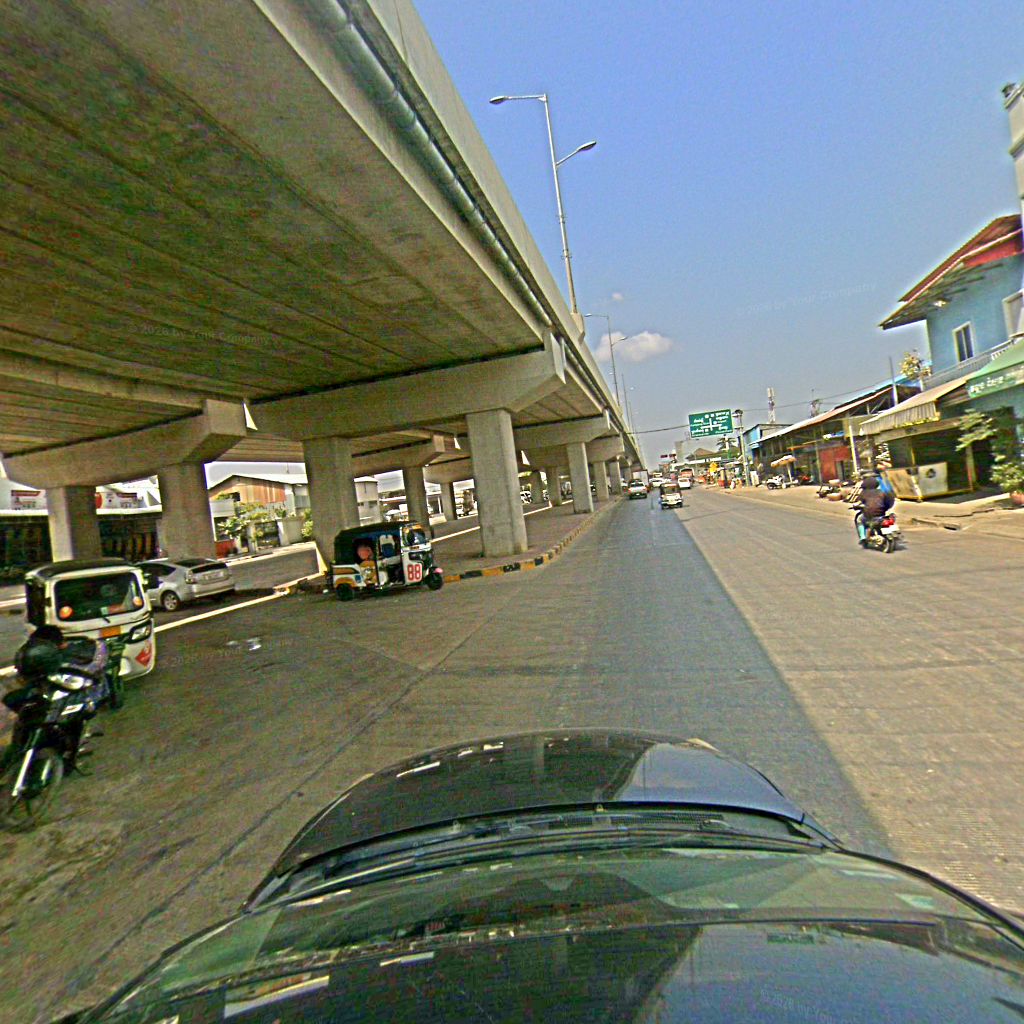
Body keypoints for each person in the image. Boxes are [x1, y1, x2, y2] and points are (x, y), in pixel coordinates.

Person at [855, 475, 894, 545]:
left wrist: (855, 506)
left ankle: (863, 538)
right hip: (882, 514)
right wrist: (885, 508)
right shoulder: (881, 492)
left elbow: (858, 502)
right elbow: (888, 502)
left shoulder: (864, 493)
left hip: (870, 515)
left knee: (859, 520)